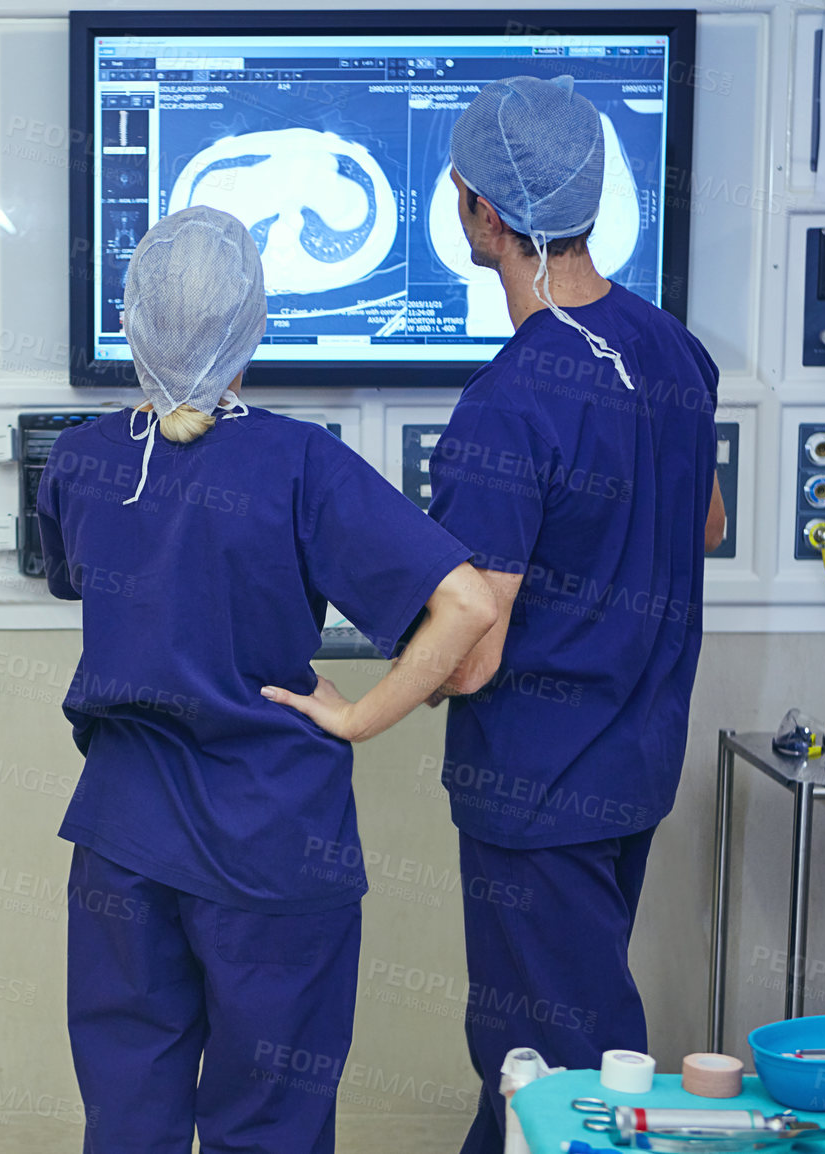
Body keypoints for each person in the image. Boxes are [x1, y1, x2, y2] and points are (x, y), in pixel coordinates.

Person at [35, 204, 497, 1154]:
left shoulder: (80, 462)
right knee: (271, 1125)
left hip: (123, 842)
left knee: (130, 1117)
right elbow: (467, 605)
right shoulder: (301, 465)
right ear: (258, 325)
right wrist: (363, 716)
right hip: (272, 844)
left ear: (130, 322)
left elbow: (83, 576)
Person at [421, 76, 728, 1154]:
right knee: (540, 1054)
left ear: (485, 214)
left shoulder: (507, 402)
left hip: (534, 788)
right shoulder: (674, 352)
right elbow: (705, 521)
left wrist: (373, 687)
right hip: (630, 770)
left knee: (559, 1075)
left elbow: (471, 657)